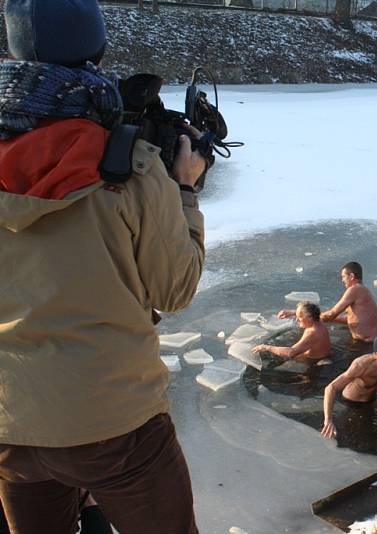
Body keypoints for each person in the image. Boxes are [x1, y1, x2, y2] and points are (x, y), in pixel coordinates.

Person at [0, 1, 206, 532]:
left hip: (9, 423)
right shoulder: (129, 164)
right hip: (114, 425)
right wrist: (181, 187)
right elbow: (175, 288)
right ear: (96, 49)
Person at [279, 261, 377, 342]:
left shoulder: (354, 290)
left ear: (352, 276)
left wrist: (299, 314)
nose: (342, 280)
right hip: (367, 340)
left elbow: (331, 314)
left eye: (343, 276)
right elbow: (353, 318)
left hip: (366, 343)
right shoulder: (362, 290)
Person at [252, 301, 331, 361]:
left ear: (310, 317)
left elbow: (291, 353)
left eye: (299, 317)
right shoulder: (318, 321)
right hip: (321, 355)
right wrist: (291, 312)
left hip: (313, 362)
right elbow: (310, 312)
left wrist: (267, 347)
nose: (297, 320)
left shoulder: (312, 332)